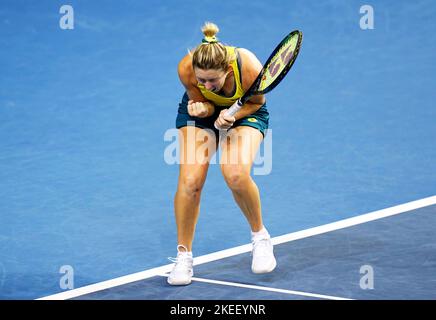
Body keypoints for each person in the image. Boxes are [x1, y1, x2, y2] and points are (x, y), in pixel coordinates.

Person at [168, 22, 276, 285]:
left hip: (245, 112)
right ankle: (184, 257)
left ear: (227, 70)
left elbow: (256, 102)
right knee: (191, 182)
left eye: (212, 80)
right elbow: (202, 102)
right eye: (201, 79)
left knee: (236, 174)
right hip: (204, 118)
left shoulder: (247, 66)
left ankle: (260, 238)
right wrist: (203, 111)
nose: (206, 84)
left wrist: (232, 114)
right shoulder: (186, 68)